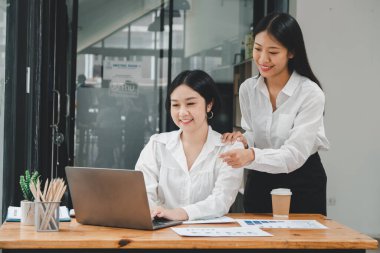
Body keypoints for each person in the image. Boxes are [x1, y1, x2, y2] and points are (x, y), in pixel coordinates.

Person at [220, 13, 329, 215]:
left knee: (302, 243)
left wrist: (250, 155)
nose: (263, 59)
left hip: (302, 179)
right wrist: (244, 139)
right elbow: (255, 131)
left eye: (273, 52)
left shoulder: (310, 93)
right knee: (258, 241)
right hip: (261, 177)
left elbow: (294, 155)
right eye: (258, 49)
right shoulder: (248, 89)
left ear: (291, 52)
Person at [135, 70, 243, 221]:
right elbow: (143, 192)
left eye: (191, 103)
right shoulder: (157, 145)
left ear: (209, 104)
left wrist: (178, 213)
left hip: (209, 237)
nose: (182, 112)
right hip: (161, 232)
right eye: (175, 105)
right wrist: (155, 212)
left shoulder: (230, 148)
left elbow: (221, 200)